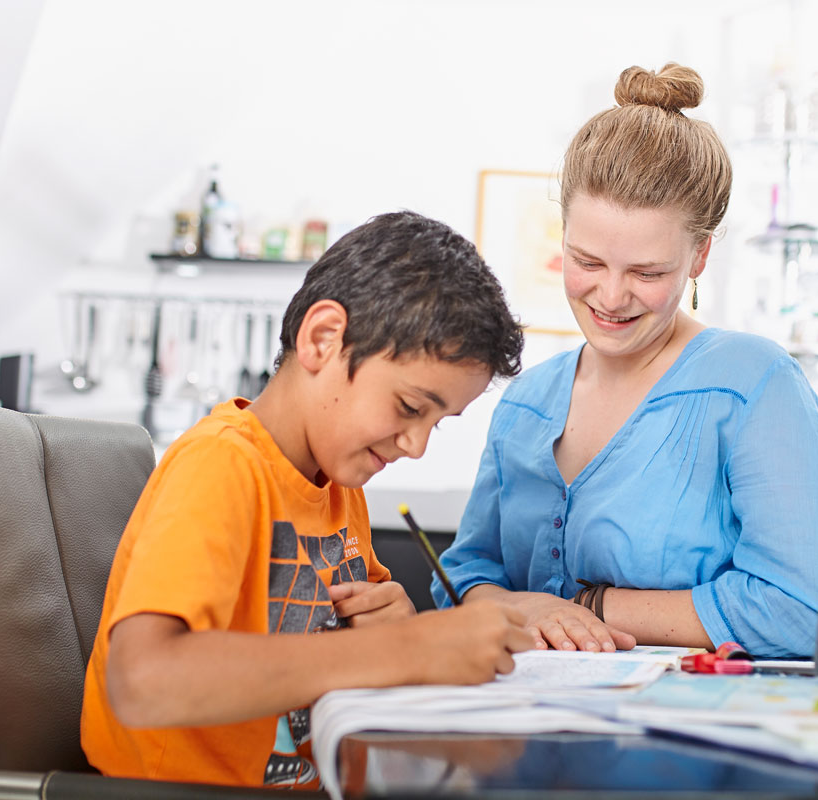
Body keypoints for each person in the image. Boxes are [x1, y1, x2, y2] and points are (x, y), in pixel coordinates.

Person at [81, 210, 534, 788]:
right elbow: (142, 682)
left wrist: (392, 631)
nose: (417, 445)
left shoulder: (341, 487)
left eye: (438, 423)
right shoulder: (222, 464)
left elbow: (352, 654)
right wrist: (406, 650)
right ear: (323, 340)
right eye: (409, 408)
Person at [434, 63, 818, 659]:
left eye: (647, 273)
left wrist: (590, 607)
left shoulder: (753, 386)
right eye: (587, 261)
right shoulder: (526, 403)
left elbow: (804, 611)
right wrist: (505, 604)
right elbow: (465, 575)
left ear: (700, 254)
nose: (610, 297)